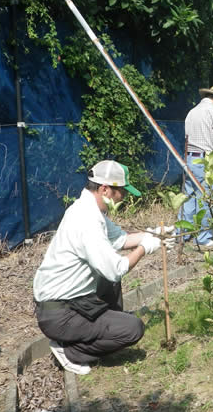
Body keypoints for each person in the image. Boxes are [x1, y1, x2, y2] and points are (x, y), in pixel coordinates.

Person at [33, 160, 172, 375]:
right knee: (133, 329)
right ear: (104, 189)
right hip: (60, 313)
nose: (124, 197)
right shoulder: (86, 220)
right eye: (121, 191)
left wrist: (153, 235)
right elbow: (116, 268)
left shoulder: (90, 209)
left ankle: (105, 327)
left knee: (109, 282)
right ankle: (71, 351)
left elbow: (121, 240)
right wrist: (145, 248)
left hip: (69, 301)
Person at [178, 85, 213, 248]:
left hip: (189, 158)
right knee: (207, 198)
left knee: (188, 196)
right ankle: (203, 237)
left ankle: (182, 233)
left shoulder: (192, 112)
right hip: (205, 159)